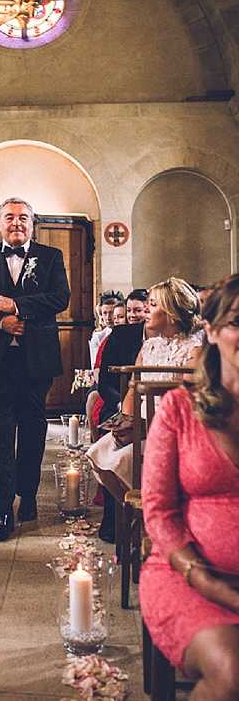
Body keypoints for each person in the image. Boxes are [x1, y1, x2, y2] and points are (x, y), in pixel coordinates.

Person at [140, 274, 239, 699]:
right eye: (237, 321)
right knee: (233, 670)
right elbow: (159, 510)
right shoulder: (181, 407)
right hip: (188, 574)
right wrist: (205, 579)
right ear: (213, 332)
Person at [0, 196, 70, 541]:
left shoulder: (51, 257)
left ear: (33, 223)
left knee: (34, 429)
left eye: (23, 218)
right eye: (10, 217)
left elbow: (60, 298)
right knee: (1, 431)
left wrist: (17, 305)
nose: (17, 223)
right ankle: (3, 507)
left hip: (36, 358)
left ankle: (29, 493)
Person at [87, 277, 202, 504]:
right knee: (97, 453)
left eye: (153, 304)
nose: (146, 309)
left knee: (121, 460)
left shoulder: (195, 350)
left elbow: (187, 405)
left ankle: (152, 511)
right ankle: (136, 511)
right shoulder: (149, 346)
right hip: (139, 422)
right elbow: (132, 388)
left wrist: (145, 429)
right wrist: (125, 422)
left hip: (170, 429)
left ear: (172, 314)